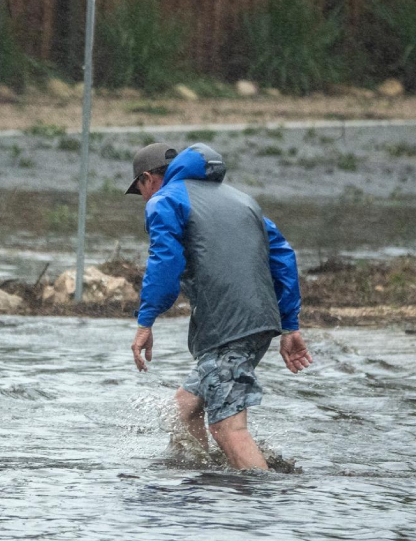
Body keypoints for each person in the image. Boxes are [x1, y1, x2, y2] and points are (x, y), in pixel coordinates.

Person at [125, 142, 312, 471]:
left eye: (139, 188)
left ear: (146, 179)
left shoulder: (164, 200)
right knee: (183, 411)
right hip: (256, 325)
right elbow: (283, 256)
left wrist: (146, 321)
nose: (143, 197)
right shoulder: (242, 200)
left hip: (228, 328)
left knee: (227, 428)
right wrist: (289, 325)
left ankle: (259, 501)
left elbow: (163, 265)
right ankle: (204, 480)